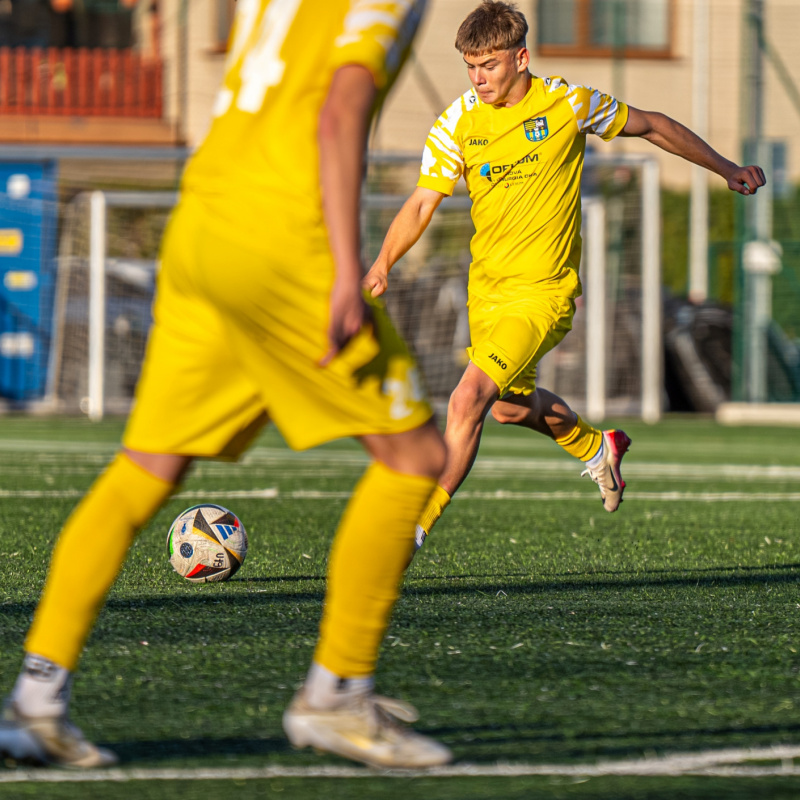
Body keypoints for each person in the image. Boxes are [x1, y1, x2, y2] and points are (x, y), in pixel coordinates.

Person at [0, 0, 452, 770]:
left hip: (203, 223)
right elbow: (341, 107)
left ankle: (34, 701)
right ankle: (335, 694)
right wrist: (348, 264)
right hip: (282, 237)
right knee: (413, 457)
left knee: (145, 468)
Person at [364, 0, 766, 552]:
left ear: (521, 57)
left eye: (490, 64)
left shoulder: (568, 103)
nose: (479, 78)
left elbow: (653, 125)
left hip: (543, 294)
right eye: (471, 66)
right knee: (505, 407)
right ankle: (597, 446)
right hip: (486, 293)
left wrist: (727, 168)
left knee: (465, 400)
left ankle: (410, 530)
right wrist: (383, 263)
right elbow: (421, 204)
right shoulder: (456, 121)